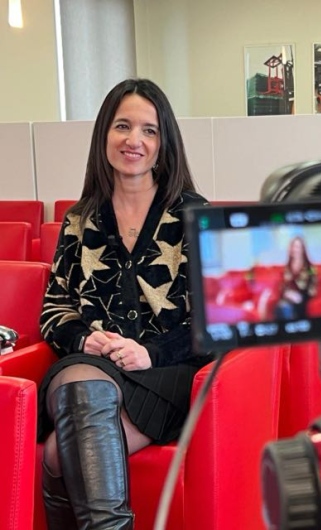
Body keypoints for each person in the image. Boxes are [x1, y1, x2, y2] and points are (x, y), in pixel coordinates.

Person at [38, 78, 212, 530]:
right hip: (93, 367)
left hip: (168, 375)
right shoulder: (80, 219)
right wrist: (86, 339)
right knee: (81, 382)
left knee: (58, 453)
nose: (134, 140)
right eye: (122, 126)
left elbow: (216, 319)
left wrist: (149, 352)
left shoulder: (194, 216)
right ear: (105, 134)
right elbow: (54, 309)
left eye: (149, 130)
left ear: (163, 143)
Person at [274, 236, 317, 320]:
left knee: (288, 307)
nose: (295, 249)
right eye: (293, 247)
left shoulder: (310, 268)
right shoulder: (287, 267)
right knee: (281, 307)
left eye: (297, 247)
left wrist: (299, 296)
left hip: (304, 298)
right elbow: (282, 286)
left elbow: (313, 287)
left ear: (302, 249)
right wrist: (287, 293)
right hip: (288, 297)